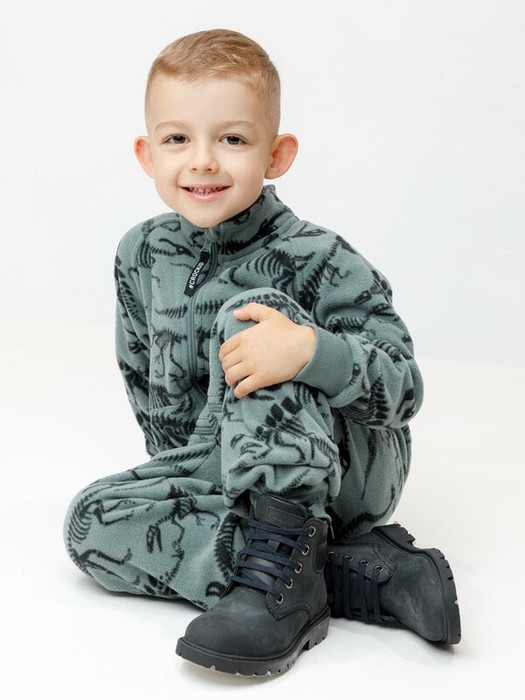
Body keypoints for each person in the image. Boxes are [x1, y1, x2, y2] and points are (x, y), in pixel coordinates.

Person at [63, 28, 461, 676]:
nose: (202, 162)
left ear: (276, 155)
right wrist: (178, 478)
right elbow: (141, 378)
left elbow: (404, 388)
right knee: (89, 524)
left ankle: (286, 560)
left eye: (232, 140)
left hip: (347, 473)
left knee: (250, 316)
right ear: (146, 153)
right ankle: (329, 573)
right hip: (227, 471)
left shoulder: (319, 257)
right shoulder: (140, 254)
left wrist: (310, 353)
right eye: (177, 139)